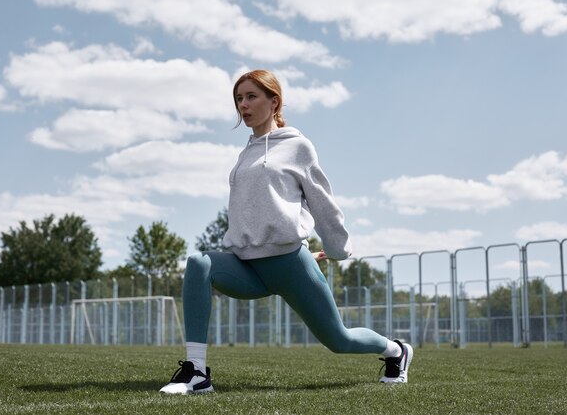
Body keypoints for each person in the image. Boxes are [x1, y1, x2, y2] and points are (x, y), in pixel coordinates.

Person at [160, 69, 413, 395]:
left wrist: (337, 249)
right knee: (199, 263)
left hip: (289, 264)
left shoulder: (298, 146)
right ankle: (196, 373)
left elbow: (322, 202)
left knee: (339, 340)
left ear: (274, 101)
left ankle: (396, 351)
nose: (243, 105)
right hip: (247, 264)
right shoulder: (246, 153)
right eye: (239, 99)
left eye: (251, 97)